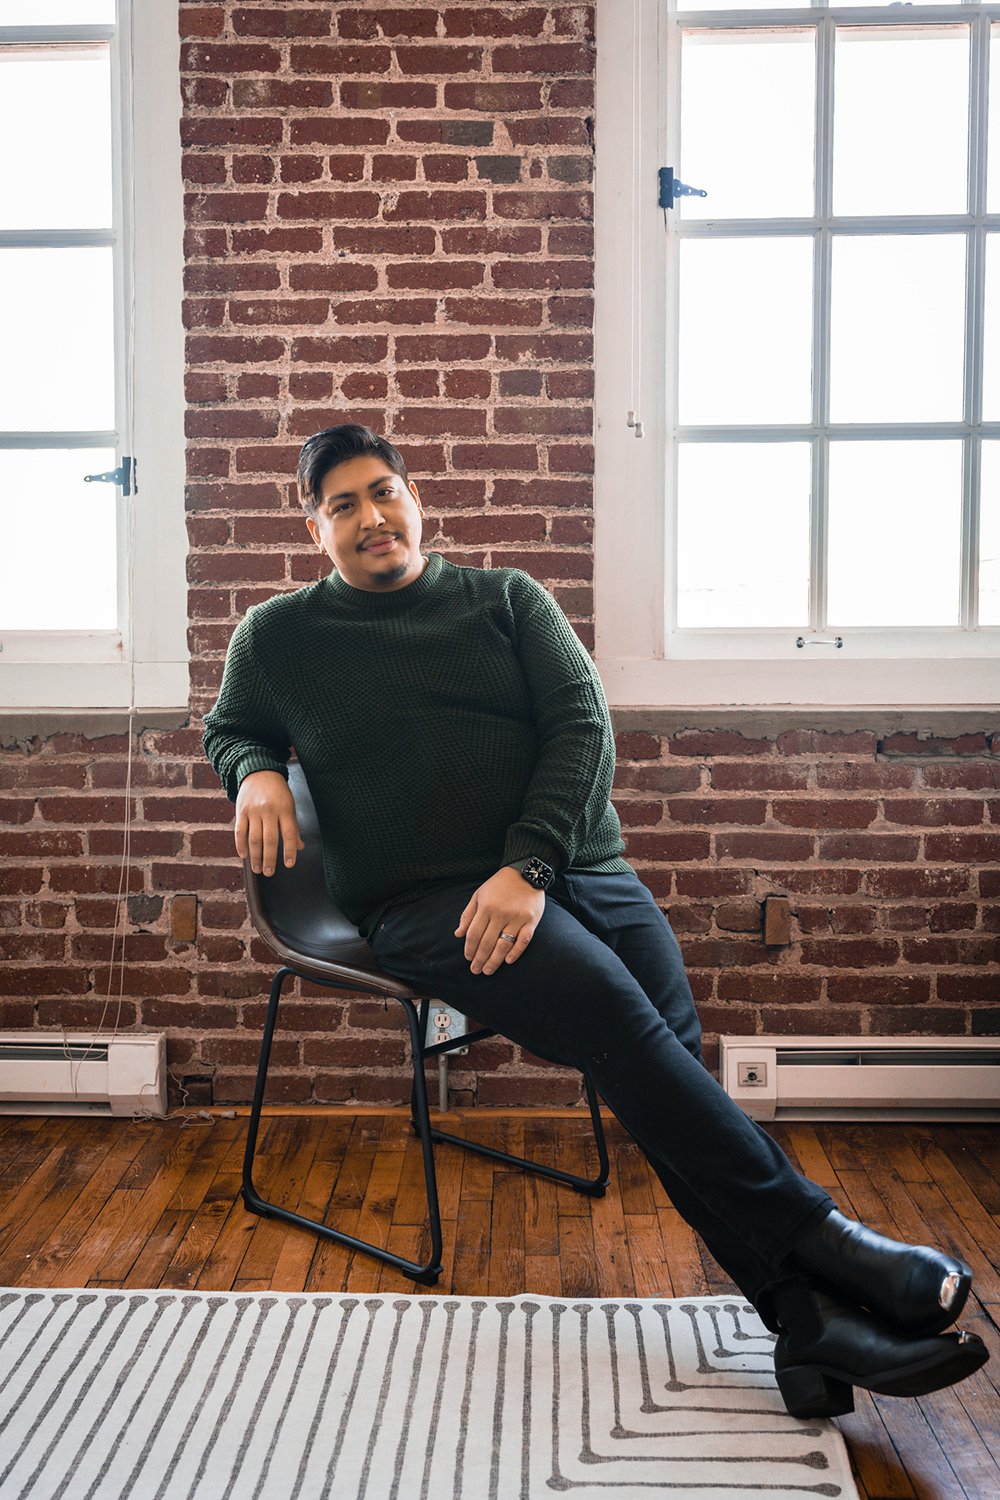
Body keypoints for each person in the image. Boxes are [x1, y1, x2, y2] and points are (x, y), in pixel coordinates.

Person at [204, 424, 988, 1419]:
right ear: (312, 525)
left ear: (414, 495)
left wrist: (528, 866)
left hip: (569, 871)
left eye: (383, 491)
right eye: (344, 505)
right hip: (420, 902)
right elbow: (231, 723)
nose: (372, 518)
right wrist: (257, 771)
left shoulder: (503, 599)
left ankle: (805, 1325)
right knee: (625, 1027)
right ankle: (830, 1242)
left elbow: (582, 727)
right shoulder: (280, 638)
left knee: (666, 1053)